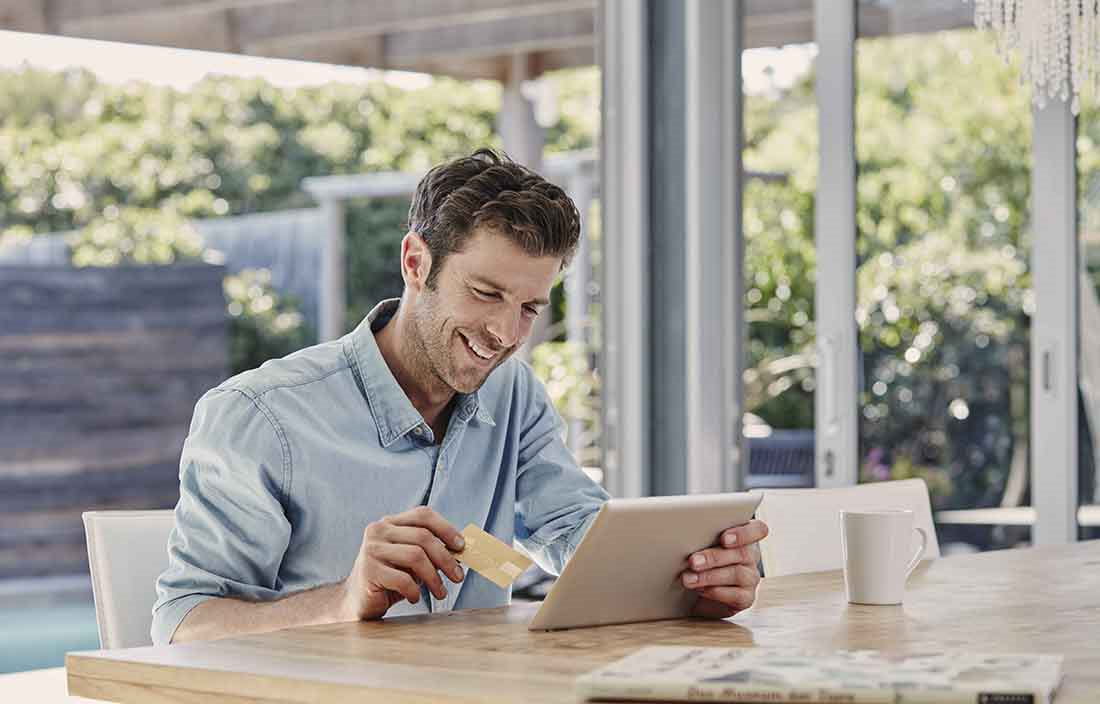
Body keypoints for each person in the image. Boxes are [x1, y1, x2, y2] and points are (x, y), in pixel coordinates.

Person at [152, 148, 768, 645]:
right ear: (417, 263)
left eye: (529, 307)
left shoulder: (513, 394)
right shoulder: (259, 416)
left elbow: (574, 529)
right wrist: (342, 602)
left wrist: (689, 578)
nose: (506, 334)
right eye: (484, 292)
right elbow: (182, 626)